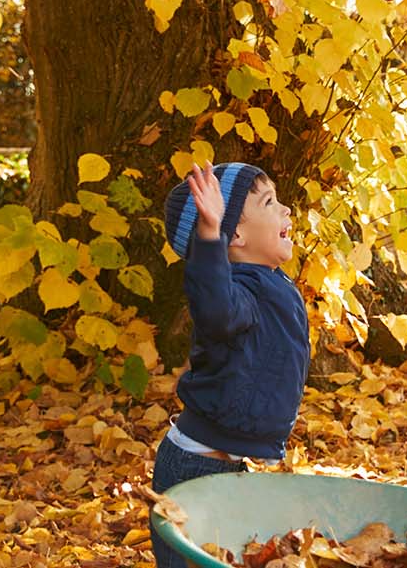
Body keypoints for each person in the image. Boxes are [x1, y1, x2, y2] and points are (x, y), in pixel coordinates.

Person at [150, 163, 310, 567]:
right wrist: (208, 236)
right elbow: (215, 305)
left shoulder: (269, 282)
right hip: (192, 465)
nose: (287, 209)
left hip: (224, 461)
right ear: (234, 235)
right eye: (270, 202)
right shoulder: (236, 294)